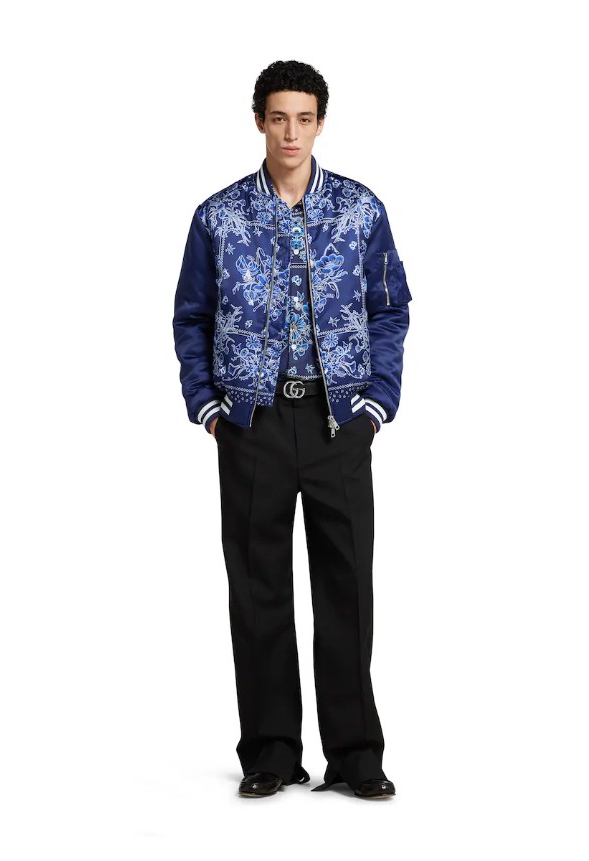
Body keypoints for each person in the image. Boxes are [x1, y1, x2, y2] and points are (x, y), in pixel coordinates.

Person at [171, 59, 412, 800]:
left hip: (340, 423)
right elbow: (191, 316)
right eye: (278, 117)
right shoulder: (218, 217)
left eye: (304, 119)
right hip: (253, 424)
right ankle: (270, 752)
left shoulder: (360, 210)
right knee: (258, 589)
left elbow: (390, 308)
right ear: (259, 121)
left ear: (320, 124)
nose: (290, 133)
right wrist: (210, 407)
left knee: (348, 588)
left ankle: (356, 756)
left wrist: (376, 404)